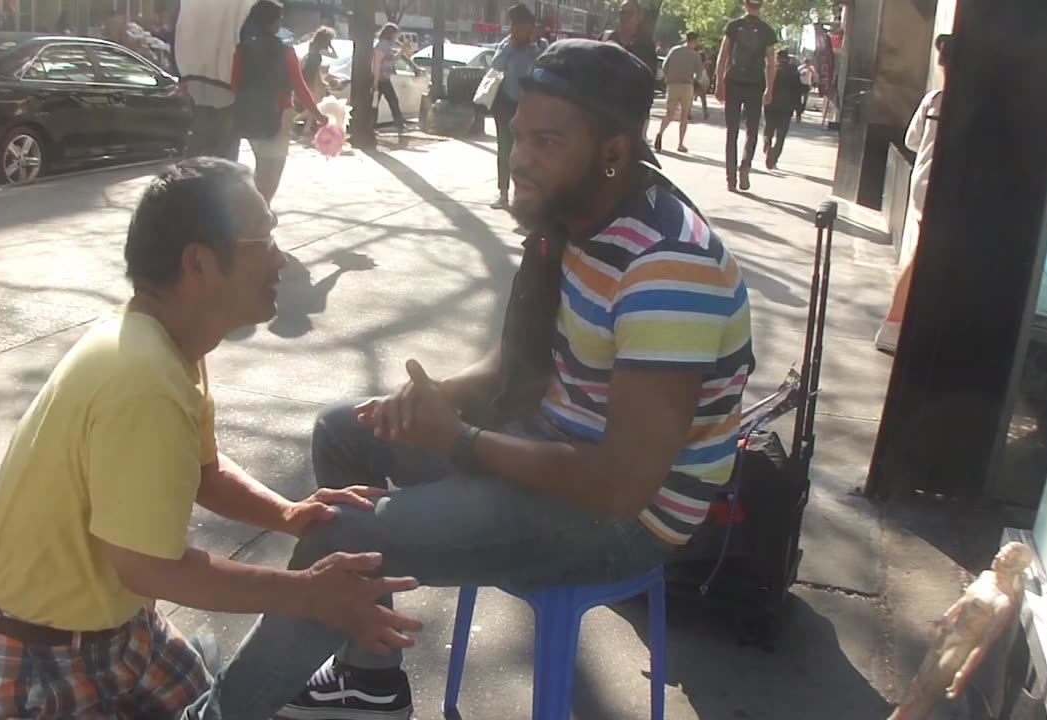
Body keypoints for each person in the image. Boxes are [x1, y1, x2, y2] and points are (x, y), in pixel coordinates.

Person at [183, 38, 755, 720]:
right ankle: (370, 677)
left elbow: (621, 484)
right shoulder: (575, 219)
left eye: (548, 141)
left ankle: (219, 713)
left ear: (613, 152)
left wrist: (459, 440)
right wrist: (434, 400)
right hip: (548, 448)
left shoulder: (668, 268)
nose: (523, 160)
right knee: (345, 431)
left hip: (622, 520)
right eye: (519, 137)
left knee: (342, 533)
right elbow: (518, 366)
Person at [0, 157, 421, 719]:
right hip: (34, 657)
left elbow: (203, 472)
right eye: (263, 238)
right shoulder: (144, 378)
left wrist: (289, 513)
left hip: (123, 630)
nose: (282, 257)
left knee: (219, 703)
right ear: (199, 262)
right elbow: (150, 568)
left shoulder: (168, 345)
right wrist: (309, 593)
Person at [876, 35, 952, 352]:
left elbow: (911, 141)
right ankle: (893, 324)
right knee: (923, 256)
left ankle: (901, 323)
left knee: (924, 254)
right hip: (941, 189)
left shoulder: (933, 100)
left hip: (923, 183)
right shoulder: (965, 103)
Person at [231, 0, 327, 203]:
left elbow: (235, 84)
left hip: (249, 114)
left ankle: (257, 211)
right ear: (275, 22)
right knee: (273, 170)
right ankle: (259, 214)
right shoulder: (286, 52)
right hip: (279, 114)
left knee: (261, 166)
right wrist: (318, 115)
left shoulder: (242, 49)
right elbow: (299, 87)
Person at [172, 0, 252, 161]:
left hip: (194, 76)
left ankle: (191, 175)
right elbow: (247, 37)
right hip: (225, 78)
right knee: (225, 144)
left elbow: (178, 31)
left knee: (199, 136)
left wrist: (181, 72)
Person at [715, 0, 777, 192]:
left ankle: (730, 178)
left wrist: (719, 82)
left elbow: (723, 55)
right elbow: (771, 63)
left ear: (745, 4)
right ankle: (745, 166)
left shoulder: (733, 27)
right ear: (761, 6)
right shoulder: (767, 31)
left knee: (731, 131)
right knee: (751, 131)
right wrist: (770, 88)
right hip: (755, 85)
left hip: (733, 82)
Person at [488, 3, 543, 211]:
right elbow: (496, 65)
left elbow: (544, 65)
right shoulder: (506, 45)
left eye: (525, 27)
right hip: (505, 104)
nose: (520, 31)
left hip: (528, 107)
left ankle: (525, 194)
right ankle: (503, 194)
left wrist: (531, 47)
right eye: (517, 27)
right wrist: (511, 46)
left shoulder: (537, 47)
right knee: (505, 149)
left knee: (527, 151)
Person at [601, 0, 660, 137]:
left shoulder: (646, 45)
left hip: (632, 111)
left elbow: (649, 79)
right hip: (605, 109)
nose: (624, 17)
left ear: (638, 18)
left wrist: (645, 111)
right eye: (622, 12)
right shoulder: (607, 38)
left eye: (629, 13)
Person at [656, 31, 704, 153]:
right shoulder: (695, 55)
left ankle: (660, 132)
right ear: (695, 41)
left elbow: (665, 65)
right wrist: (695, 80)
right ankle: (680, 144)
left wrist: (668, 77)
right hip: (686, 86)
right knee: (684, 116)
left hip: (673, 85)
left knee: (669, 114)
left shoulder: (674, 50)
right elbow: (699, 73)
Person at [294, 26, 338, 137]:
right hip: (313, 79)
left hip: (310, 76)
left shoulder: (312, 45)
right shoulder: (321, 49)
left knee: (314, 104)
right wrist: (331, 46)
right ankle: (295, 120)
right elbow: (334, 56)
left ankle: (307, 128)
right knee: (314, 105)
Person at [762, 49, 801, 170]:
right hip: (786, 108)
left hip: (771, 105)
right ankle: (774, 158)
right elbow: (798, 93)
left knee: (768, 131)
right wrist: (799, 111)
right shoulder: (794, 72)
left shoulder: (771, 70)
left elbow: (763, 86)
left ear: (778, 58)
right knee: (781, 136)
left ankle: (767, 147)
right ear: (787, 58)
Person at [373, 23, 407, 134]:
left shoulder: (388, 46)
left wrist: (402, 50)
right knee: (377, 103)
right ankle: (372, 127)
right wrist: (375, 82)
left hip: (385, 79)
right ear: (391, 34)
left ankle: (399, 125)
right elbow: (377, 63)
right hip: (380, 79)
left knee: (391, 101)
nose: (396, 37)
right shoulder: (382, 45)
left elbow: (393, 60)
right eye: (396, 35)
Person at [797, 56, 817, 122]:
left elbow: (814, 75)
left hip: (807, 84)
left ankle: (802, 109)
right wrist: (802, 72)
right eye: (806, 62)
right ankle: (798, 112)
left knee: (805, 98)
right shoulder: (800, 67)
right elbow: (797, 73)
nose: (807, 63)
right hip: (800, 84)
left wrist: (814, 82)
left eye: (808, 62)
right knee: (799, 98)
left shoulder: (811, 68)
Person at [697, 49, 713, 119]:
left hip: (697, 78)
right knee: (703, 98)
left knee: (690, 97)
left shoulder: (696, 63)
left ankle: (688, 112)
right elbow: (708, 70)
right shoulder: (706, 63)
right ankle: (705, 112)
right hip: (703, 79)